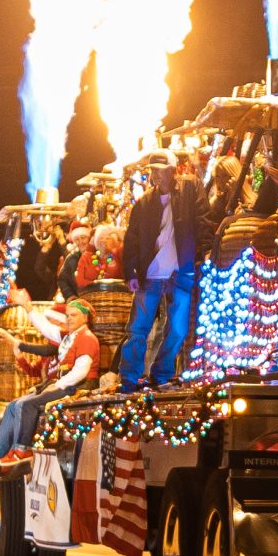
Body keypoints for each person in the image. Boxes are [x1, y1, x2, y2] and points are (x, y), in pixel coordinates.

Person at [118, 153, 201, 388]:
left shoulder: (188, 190)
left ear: (172, 170)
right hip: (151, 274)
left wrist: (202, 254)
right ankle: (129, 377)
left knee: (178, 329)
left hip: (179, 272)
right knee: (138, 329)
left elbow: (202, 220)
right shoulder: (144, 203)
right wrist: (131, 273)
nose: (155, 174)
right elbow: (131, 239)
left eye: (160, 169)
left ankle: (160, 374)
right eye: (153, 169)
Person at [0, 301, 104, 464]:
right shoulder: (69, 337)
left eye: (74, 315)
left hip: (76, 386)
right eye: (67, 315)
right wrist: (28, 308)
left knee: (27, 405)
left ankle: (21, 450)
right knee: (14, 405)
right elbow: (46, 328)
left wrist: (57, 385)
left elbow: (81, 371)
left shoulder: (87, 338)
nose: (69, 319)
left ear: (85, 317)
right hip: (65, 383)